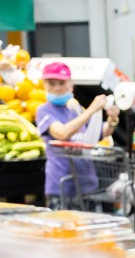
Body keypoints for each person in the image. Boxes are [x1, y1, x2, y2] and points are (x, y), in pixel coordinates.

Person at [36, 61, 118, 207]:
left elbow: (98, 134)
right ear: (44, 85)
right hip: (62, 185)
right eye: (51, 83)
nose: (57, 88)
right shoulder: (44, 111)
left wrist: (112, 120)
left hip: (86, 183)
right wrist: (91, 110)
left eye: (62, 83)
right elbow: (62, 133)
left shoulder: (76, 109)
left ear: (71, 84)